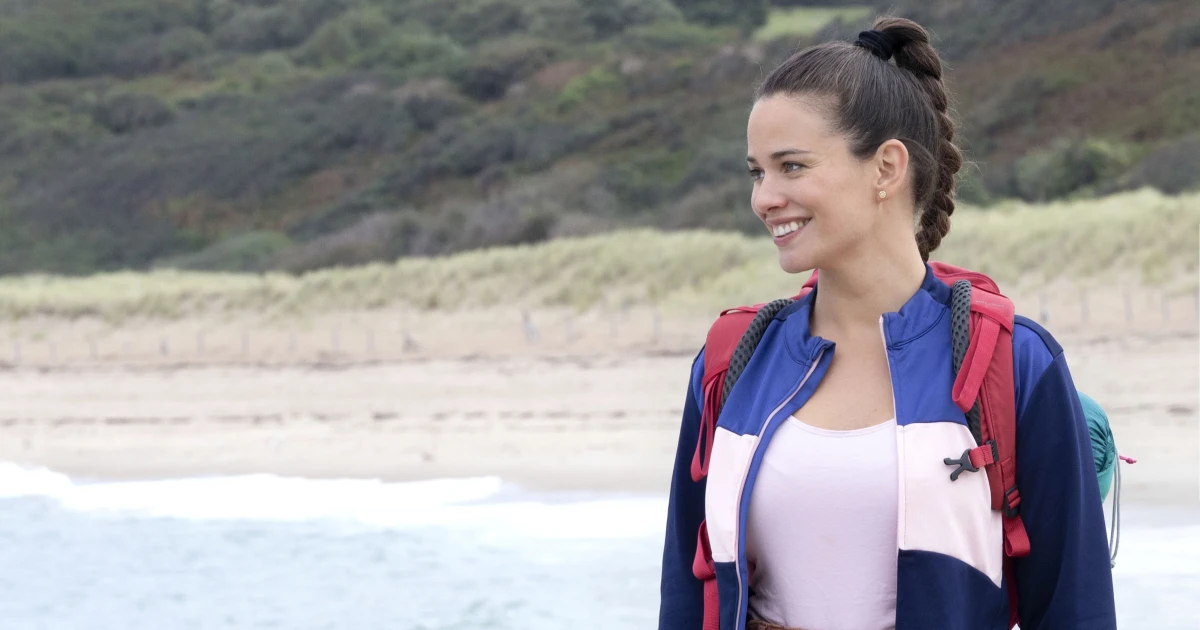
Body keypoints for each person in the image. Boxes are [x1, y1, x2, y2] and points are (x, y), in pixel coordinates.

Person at [657, 16, 1117, 630]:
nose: (763, 198)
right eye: (757, 172)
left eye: (791, 166)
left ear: (886, 168)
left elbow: (1075, 610)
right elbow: (685, 599)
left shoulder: (1012, 361)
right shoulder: (731, 360)